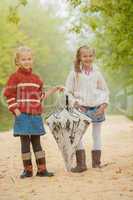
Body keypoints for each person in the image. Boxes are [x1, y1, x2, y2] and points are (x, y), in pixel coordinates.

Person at [4, 46, 62, 178]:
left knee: (37, 142)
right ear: (18, 61)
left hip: (35, 115)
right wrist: (15, 110)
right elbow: (9, 94)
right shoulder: (15, 77)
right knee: (25, 142)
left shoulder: (36, 79)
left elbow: (40, 97)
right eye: (23, 59)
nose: (26, 61)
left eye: (29, 59)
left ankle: (42, 169)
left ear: (32, 60)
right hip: (22, 115)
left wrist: (54, 89)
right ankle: (28, 170)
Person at [65, 45, 109, 172]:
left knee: (97, 135)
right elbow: (67, 92)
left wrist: (104, 104)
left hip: (96, 108)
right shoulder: (74, 73)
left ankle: (96, 163)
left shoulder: (97, 73)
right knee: (77, 135)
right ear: (79, 57)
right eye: (85, 56)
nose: (88, 58)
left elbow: (105, 90)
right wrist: (75, 103)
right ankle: (81, 164)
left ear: (93, 57)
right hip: (81, 108)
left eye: (90, 56)